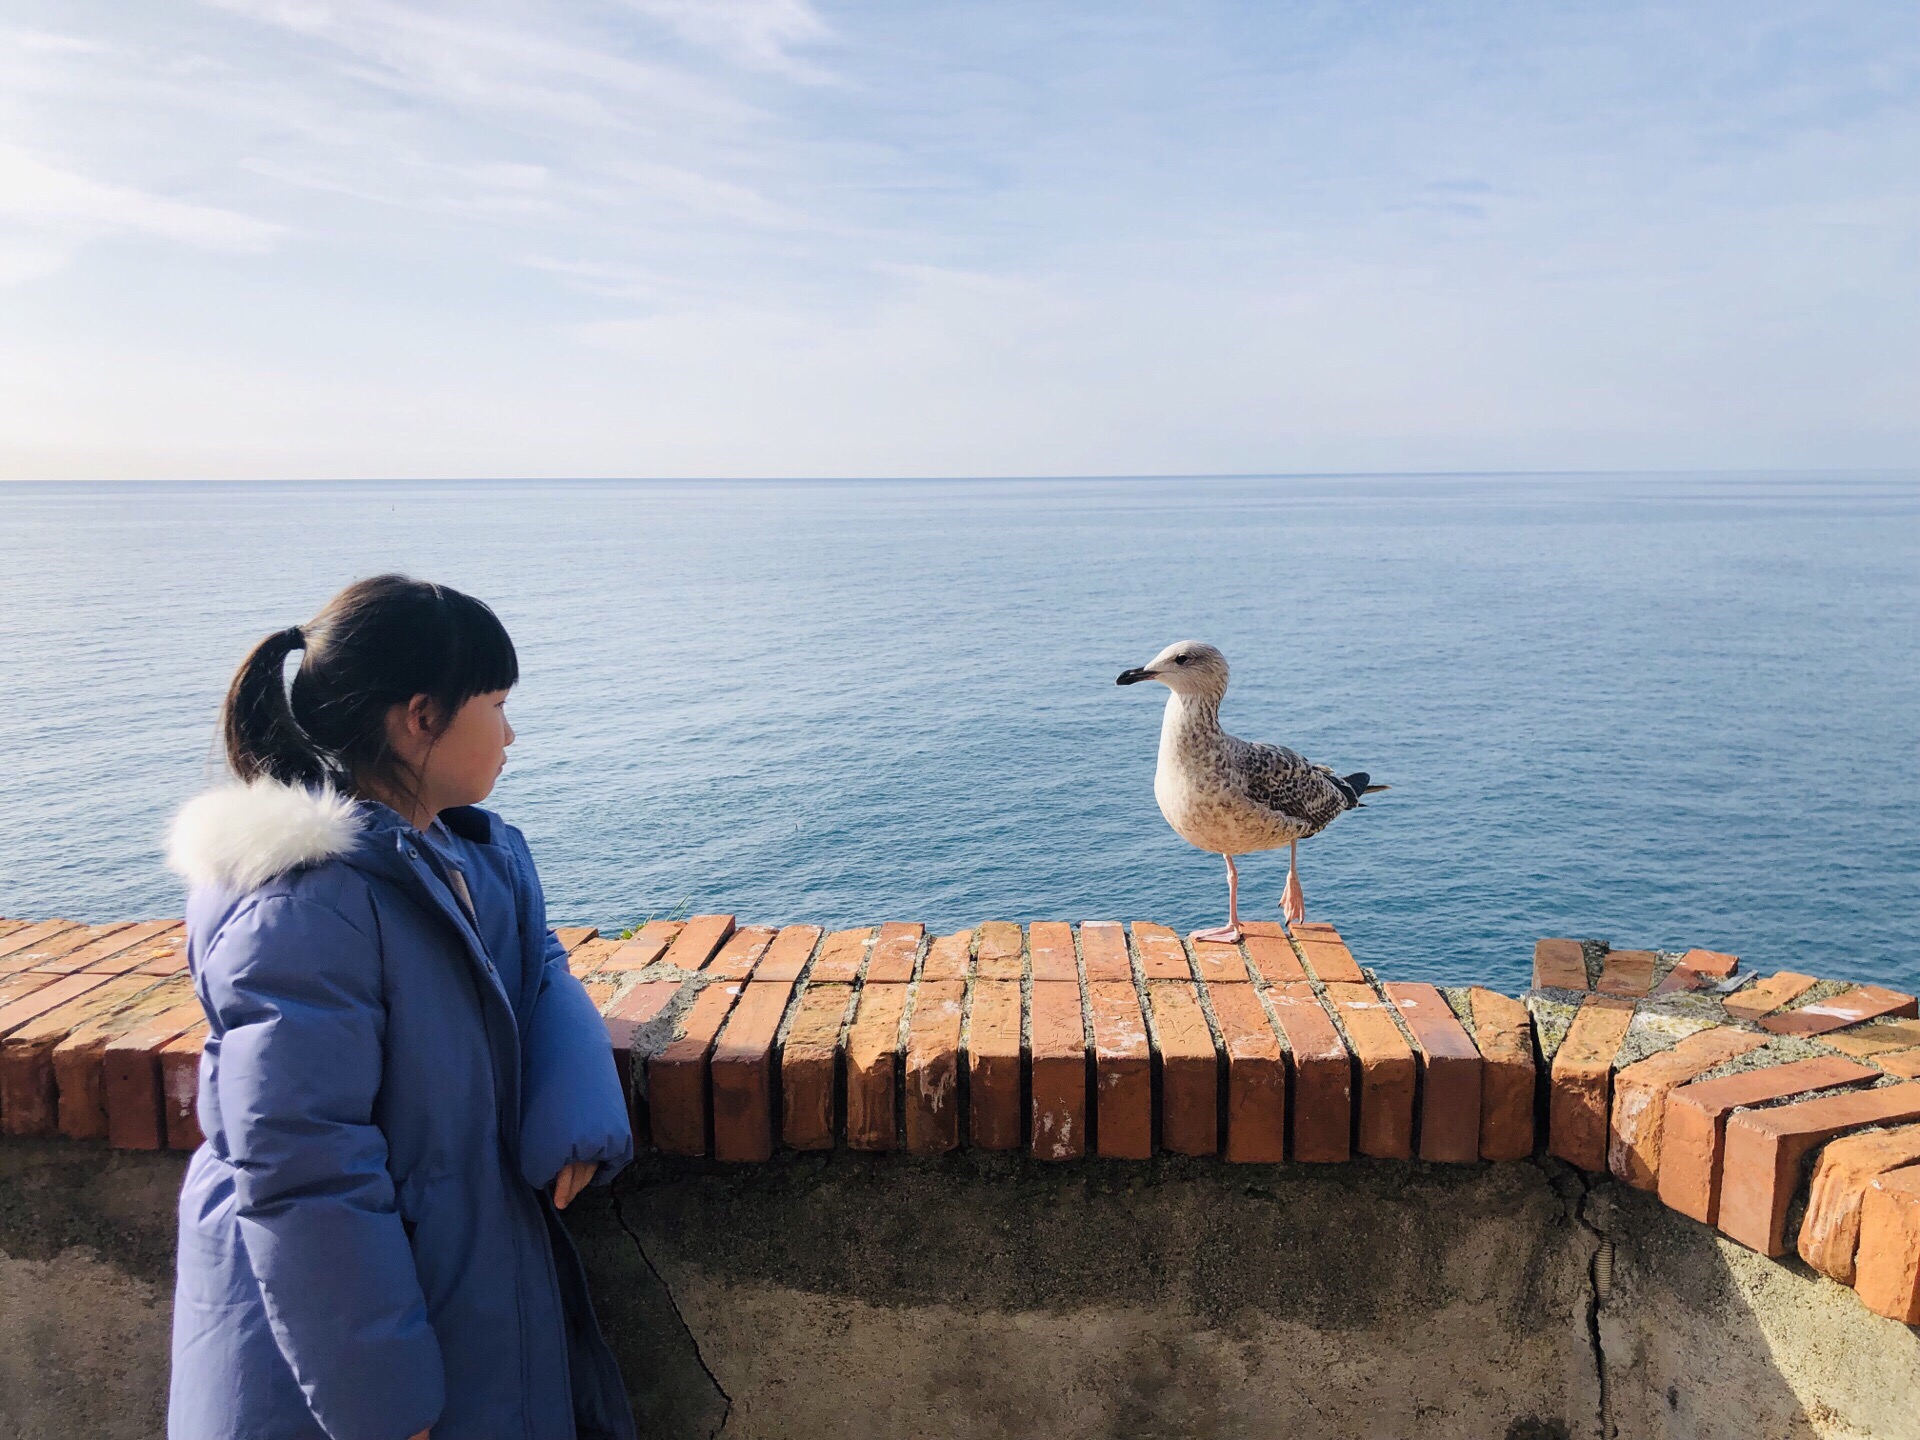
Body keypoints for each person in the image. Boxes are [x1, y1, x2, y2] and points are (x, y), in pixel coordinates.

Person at [163, 574, 637, 1440]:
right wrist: (381, 1402)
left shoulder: (466, 858)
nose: (511, 730)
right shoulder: (304, 911)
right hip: (325, 1376)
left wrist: (576, 1105)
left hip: (457, 1283)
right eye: (494, 703)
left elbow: (537, 972)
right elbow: (305, 1173)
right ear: (421, 717)